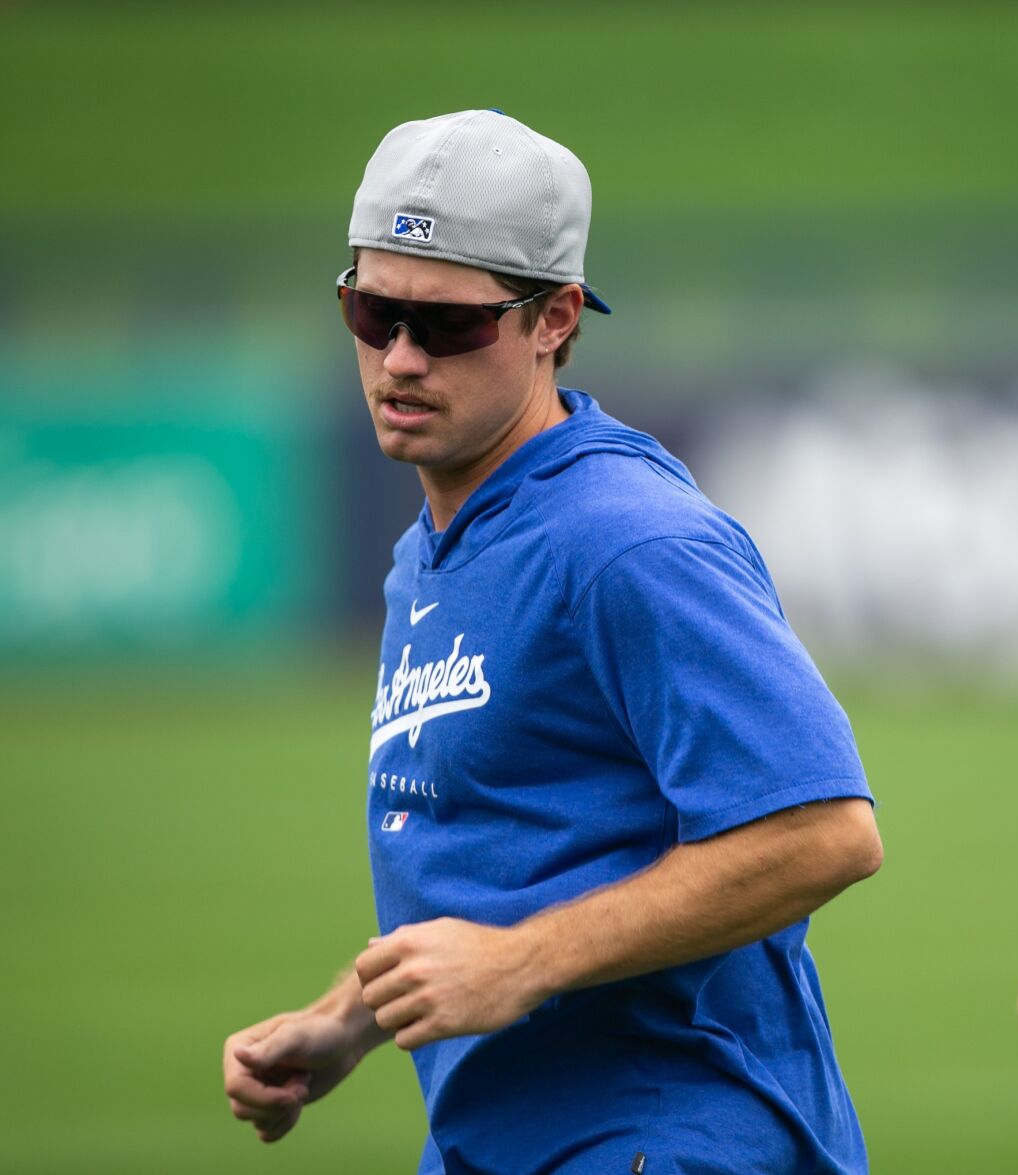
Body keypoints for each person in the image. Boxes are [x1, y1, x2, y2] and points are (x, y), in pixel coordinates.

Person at [221, 109, 883, 1175]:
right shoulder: (432, 548)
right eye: (373, 311)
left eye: (449, 326)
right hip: (500, 1137)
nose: (399, 358)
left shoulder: (628, 539)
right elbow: (497, 858)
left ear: (554, 319)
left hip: (665, 1136)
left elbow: (823, 831)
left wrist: (523, 962)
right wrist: (345, 1019)